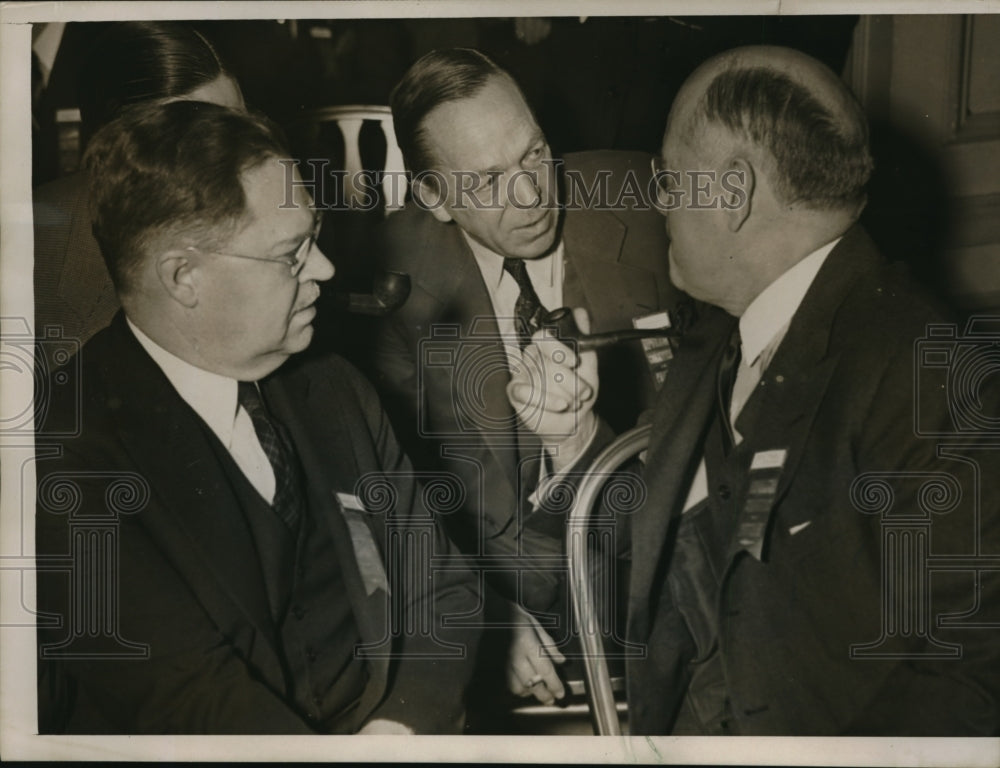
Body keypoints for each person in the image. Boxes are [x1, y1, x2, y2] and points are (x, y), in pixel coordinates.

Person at [34, 100, 481, 734]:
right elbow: (189, 705)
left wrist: (399, 728)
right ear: (184, 276)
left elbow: (443, 589)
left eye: (315, 238)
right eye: (290, 254)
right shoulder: (57, 455)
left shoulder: (335, 388)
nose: (324, 269)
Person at [627, 45, 1000, 735]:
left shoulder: (929, 368)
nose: (660, 203)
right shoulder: (711, 344)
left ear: (732, 194)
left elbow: (968, 672)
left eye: (670, 179)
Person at [369, 48, 684, 707]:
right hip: (514, 618)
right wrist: (479, 611)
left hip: (667, 586)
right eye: (486, 182)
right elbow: (389, 500)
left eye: (534, 154)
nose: (532, 195)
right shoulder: (385, 286)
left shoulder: (653, 207)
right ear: (434, 197)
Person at [33, 21, 245, 355]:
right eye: (200, 141)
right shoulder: (38, 254)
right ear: (119, 151)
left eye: (240, 131)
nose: (231, 158)